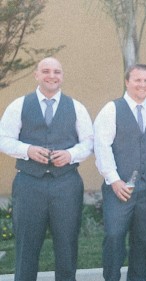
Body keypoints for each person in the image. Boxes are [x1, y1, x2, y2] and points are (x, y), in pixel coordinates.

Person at [0, 57, 94, 281]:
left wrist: (70, 154)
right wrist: (27, 150)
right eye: (46, 71)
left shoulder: (76, 107)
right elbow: (4, 139)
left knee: (67, 247)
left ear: (62, 76)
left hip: (66, 185)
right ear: (36, 75)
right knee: (26, 248)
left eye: (57, 72)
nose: (52, 76)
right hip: (29, 185)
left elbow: (89, 142)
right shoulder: (19, 105)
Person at [94, 64, 146, 281]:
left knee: (143, 242)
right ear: (127, 82)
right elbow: (101, 146)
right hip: (119, 189)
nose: (142, 84)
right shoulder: (111, 109)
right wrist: (114, 180)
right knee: (114, 237)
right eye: (137, 80)